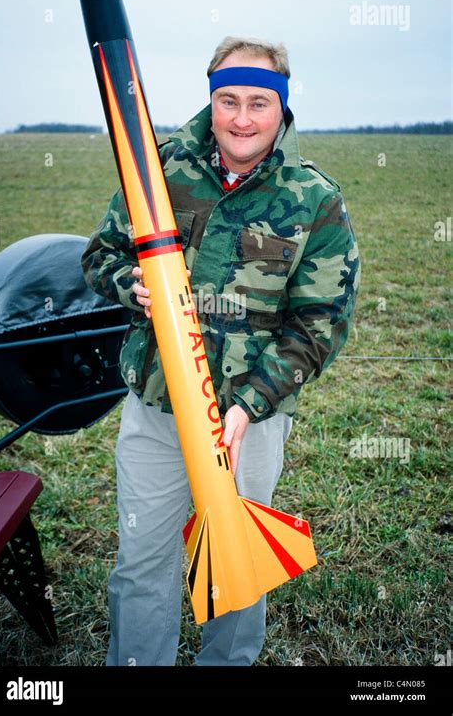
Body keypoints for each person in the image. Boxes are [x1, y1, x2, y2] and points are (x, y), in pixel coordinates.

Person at [81, 36, 361, 666]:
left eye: (258, 103)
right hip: (156, 406)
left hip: (248, 421)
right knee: (142, 559)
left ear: (281, 108)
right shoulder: (158, 167)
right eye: (227, 100)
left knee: (237, 559)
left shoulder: (314, 199)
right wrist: (134, 285)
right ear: (210, 99)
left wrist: (250, 405)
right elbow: (99, 256)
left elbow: (320, 322)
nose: (240, 118)